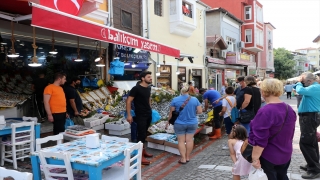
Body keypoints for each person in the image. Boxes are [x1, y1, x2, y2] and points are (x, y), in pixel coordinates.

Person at [250, 78, 296, 179]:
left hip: (269, 155)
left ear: (263, 91)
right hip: (285, 153)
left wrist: (255, 158)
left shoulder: (265, 111)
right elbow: (290, 133)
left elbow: (260, 139)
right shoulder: (289, 109)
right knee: (282, 176)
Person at [293, 72, 320, 179]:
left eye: (304, 82)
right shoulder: (314, 87)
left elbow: (299, 90)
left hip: (310, 116)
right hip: (309, 116)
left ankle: (314, 169)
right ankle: (313, 164)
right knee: (311, 141)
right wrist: (301, 82)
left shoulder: (315, 87)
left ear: (309, 81)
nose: (303, 83)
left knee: (305, 142)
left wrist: (299, 82)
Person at [167, 86, 202, 164]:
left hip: (179, 123)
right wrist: (193, 113)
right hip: (192, 123)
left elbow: (171, 113)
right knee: (189, 140)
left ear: (180, 91)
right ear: (188, 91)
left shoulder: (175, 100)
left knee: (181, 141)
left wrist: (168, 121)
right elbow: (200, 111)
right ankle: (187, 157)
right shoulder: (194, 99)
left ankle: (183, 158)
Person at [126, 71, 153, 165]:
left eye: (150, 77)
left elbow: (148, 98)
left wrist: (150, 108)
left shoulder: (149, 88)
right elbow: (128, 101)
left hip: (148, 113)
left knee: (145, 133)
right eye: (148, 77)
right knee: (140, 135)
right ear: (142, 78)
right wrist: (129, 115)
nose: (150, 78)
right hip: (140, 114)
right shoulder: (136, 88)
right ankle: (139, 156)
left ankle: (143, 151)